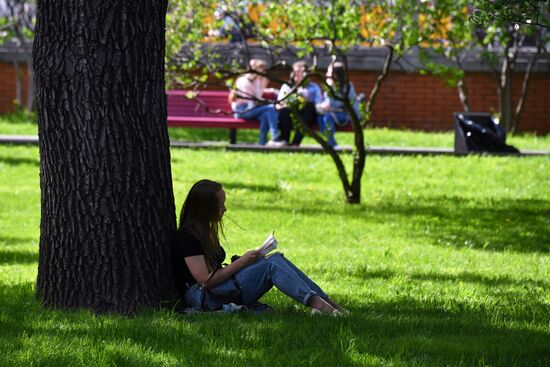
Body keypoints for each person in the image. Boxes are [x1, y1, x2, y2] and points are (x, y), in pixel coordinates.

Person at [172, 179, 345, 314]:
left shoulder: (205, 232)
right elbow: (205, 280)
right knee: (271, 265)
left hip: (217, 291)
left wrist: (245, 262)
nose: (224, 209)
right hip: (204, 298)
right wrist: (241, 263)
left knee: (276, 258)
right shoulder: (187, 237)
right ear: (205, 208)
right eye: (220, 205)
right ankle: (322, 306)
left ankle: (327, 302)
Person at [230, 59, 283, 146]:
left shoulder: (257, 80)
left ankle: (262, 143)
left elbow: (258, 94)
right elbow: (256, 98)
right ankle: (275, 137)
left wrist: (266, 85)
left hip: (251, 108)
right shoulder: (244, 81)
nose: (263, 72)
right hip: (242, 110)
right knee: (270, 108)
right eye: (260, 69)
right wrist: (262, 82)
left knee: (265, 115)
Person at [277, 61, 324, 146]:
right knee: (284, 111)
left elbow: (319, 102)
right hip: (290, 114)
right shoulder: (287, 86)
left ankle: (295, 143)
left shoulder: (313, 87)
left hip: (306, 115)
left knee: (309, 107)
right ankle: (284, 139)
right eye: (295, 72)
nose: (297, 74)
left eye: (300, 72)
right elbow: (280, 102)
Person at [318, 61, 361, 148]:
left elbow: (332, 105)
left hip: (345, 115)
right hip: (333, 114)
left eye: (329, 72)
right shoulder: (330, 86)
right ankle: (330, 142)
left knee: (327, 117)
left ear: (335, 75)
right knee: (319, 118)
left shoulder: (347, 87)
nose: (326, 74)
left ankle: (332, 145)